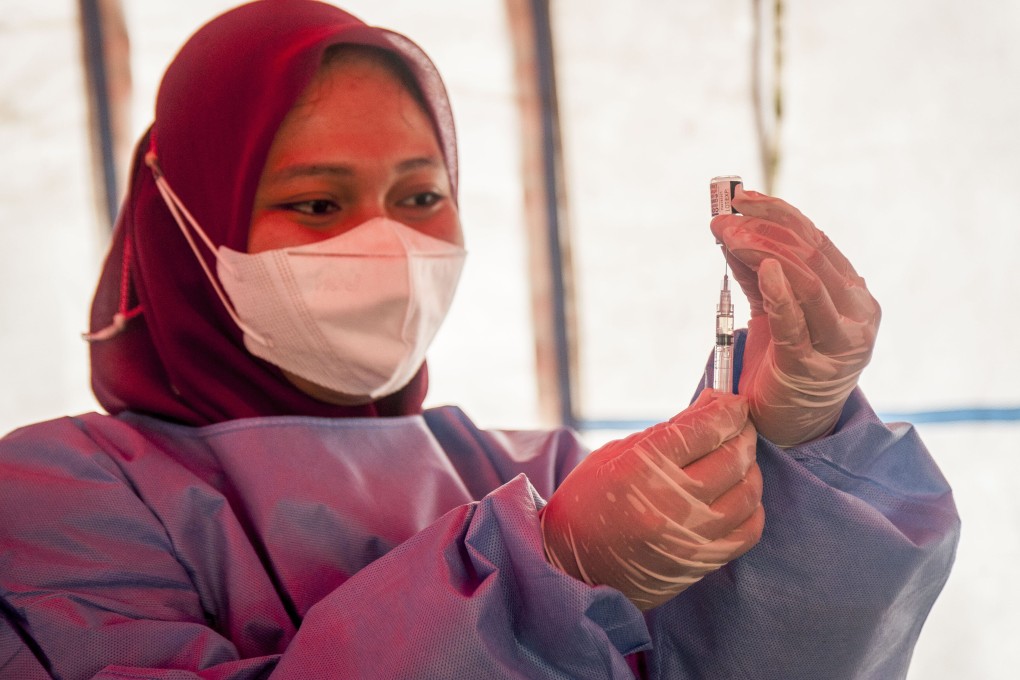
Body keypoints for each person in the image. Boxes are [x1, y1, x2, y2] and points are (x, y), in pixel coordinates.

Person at [0, 1, 959, 678]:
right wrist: (542, 577)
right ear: (184, 227)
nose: (385, 242)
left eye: (422, 197)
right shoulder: (61, 492)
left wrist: (798, 449)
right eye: (317, 203)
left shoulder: (537, 469)